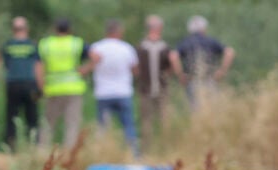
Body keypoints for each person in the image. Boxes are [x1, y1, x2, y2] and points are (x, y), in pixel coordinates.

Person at [37, 18, 91, 149]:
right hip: (73, 88)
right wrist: (85, 69)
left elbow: (39, 66)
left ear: (55, 29)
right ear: (70, 29)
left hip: (53, 88)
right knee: (72, 124)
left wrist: (41, 85)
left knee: (48, 124)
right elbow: (97, 56)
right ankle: (69, 153)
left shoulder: (45, 44)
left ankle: (42, 151)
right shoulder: (76, 43)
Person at [89, 20, 140, 157]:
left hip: (103, 93)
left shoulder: (97, 47)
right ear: (119, 32)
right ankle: (133, 155)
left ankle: (101, 154)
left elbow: (92, 65)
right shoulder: (127, 48)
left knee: (103, 127)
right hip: (123, 92)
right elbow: (135, 70)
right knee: (128, 125)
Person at [136, 15, 181, 144]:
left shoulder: (140, 47)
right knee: (164, 119)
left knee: (147, 120)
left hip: (146, 88)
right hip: (161, 88)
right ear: (159, 28)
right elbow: (173, 65)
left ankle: (147, 147)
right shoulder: (164, 47)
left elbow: (135, 68)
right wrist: (169, 74)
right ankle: (165, 145)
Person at [175, 15, 234, 110]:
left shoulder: (185, 42)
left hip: (192, 81)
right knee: (213, 109)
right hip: (210, 80)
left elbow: (173, 56)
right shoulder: (211, 41)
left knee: (195, 110)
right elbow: (230, 52)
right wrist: (222, 71)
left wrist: (180, 75)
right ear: (204, 28)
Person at [0, 17, 40, 149]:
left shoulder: (8, 45)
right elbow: (38, 66)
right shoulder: (32, 45)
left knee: (11, 117)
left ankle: (10, 147)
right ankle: (33, 146)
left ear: (13, 30)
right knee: (32, 117)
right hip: (30, 84)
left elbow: (5, 66)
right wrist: (40, 86)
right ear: (27, 29)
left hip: (13, 84)